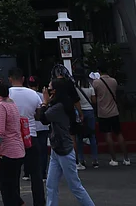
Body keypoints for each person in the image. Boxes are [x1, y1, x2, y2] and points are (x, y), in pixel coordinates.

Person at [36, 78, 96, 206]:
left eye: (50, 88)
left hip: (64, 149)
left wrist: (44, 102)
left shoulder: (59, 107)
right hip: (57, 148)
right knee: (51, 184)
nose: (47, 91)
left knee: (75, 185)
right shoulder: (61, 104)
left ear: (56, 91)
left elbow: (43, 118)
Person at [8, 68, 44, 206]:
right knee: (36, 173)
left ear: (10, 78)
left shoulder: (8, 94)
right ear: (23, 79)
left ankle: (16, 201)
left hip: (14, 138)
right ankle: (39, 202)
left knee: (14, 174)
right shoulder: (33, 94)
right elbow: (38, 115)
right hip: (31, 135)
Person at [0, 78, 25, 206]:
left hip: (8, 152)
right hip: (18, 150)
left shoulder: (1, 106)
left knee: (6, 188)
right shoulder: (12, 103)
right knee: (12, 188)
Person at [91, 68, 129, 166]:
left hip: (103, 112)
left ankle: (114, 159)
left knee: (108, 135)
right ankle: (126, 158)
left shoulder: (96, 83)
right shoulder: (113, 81)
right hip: (114, 111)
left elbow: (94, 96)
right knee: (119, 134)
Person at [73, 77, 98, 170]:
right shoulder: (90, 86)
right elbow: (94, 100)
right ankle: (95, 160)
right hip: (90, 110)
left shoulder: (76, 87)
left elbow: (75, 100)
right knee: (92, 135)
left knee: (79, 136)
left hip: (80, 111)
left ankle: (81, 160)